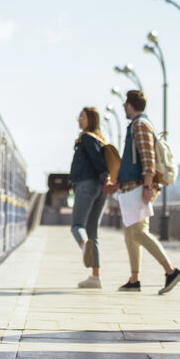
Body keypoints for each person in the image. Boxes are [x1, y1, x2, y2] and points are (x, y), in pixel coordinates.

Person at [104, 90, 180, 294]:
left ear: (130, 105)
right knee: (130, 234)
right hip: (132, 187)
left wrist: (148, 186)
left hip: (140, 187)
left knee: (139, 232)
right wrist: (118, 185)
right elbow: (134, 162)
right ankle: (134, 279)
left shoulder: (140, 125)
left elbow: (147, 158)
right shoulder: (139, 125)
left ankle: (171, 271)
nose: (123, 108)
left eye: (124, 105)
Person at [69, 107, 110, 288]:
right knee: (93, 232)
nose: (80, 120)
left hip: (87, 184)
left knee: (77, 226)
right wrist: (106, 180)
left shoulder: (87, 138)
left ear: (91, 120)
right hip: (101, 188)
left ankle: (86, 250)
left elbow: (97, 161)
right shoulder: (101, 140)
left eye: (83, 117)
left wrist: (104, 176)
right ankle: (95, 277)